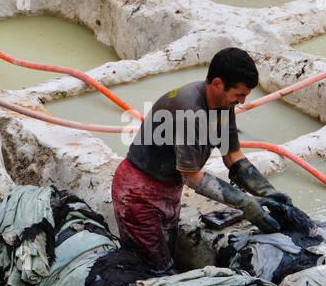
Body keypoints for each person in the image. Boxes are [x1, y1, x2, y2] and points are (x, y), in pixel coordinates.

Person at [112, 47, 292, 272]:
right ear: (217, 84)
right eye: (239, 95)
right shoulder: (188, 109)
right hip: (139, 194)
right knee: (157, 271)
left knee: (166, 258)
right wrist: (245, 203)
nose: (242, 101)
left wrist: (266, 192)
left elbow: (232, 155)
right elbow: (191, 176)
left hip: (168, 191)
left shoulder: (223, 105)